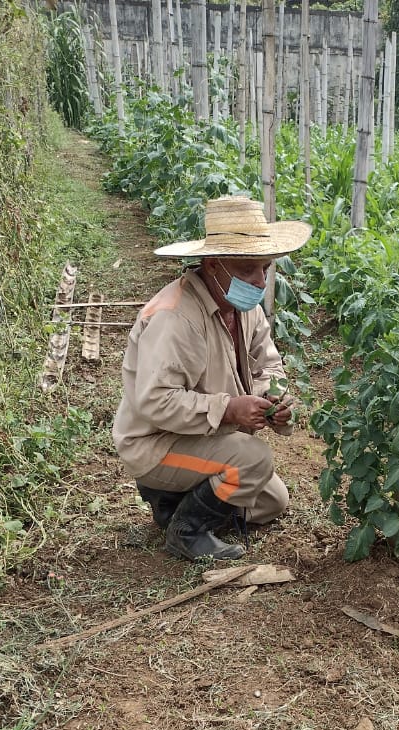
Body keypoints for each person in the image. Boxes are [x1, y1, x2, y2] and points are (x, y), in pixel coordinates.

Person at [112, 194, 311, 561]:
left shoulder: (242, 309)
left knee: (271, 502)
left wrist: (275, 400)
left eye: (264, 269)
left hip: (205, 437)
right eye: (246, 269)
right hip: (156, 444)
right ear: (212, 264)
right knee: (252, 460)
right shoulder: (175, 319)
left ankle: (173, 502)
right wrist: (230, 409)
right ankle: (186, 531)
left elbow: (267, 365)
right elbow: (156, 401)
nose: (258, 280)